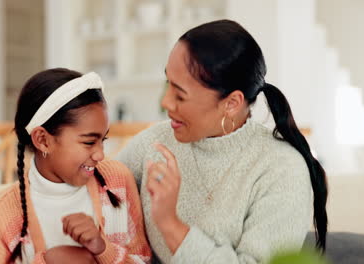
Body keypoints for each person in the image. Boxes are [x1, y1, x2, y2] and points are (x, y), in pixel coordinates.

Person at [116, 19, 328, 263]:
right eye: (168, 84)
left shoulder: (282, 170)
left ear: (231, 103)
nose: (165, 102)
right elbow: (99, 188)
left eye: (180, 94)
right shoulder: (153, 143)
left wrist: (170, 224)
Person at [0, 68, 151, 263]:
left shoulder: (117, 182)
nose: (100, 154)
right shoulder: (4, 213)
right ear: (43, 140)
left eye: (103, 139)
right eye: (89, 142)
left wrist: (103, 249)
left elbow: (143, 258)